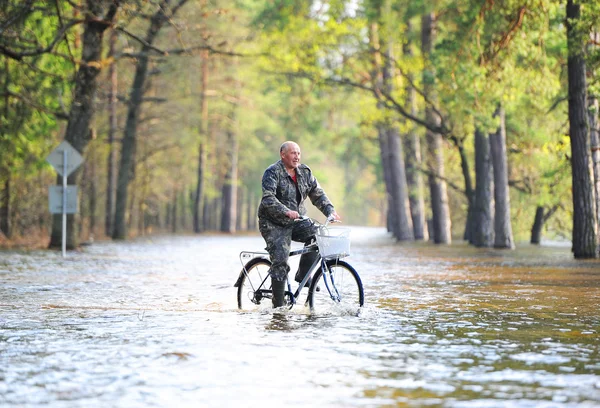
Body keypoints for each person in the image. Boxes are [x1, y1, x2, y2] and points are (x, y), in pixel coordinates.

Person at [258, 141, 340, 308]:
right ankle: (279, 309)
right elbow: (268, 199)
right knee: (281, 259)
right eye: (293, 153)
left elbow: (317, 194)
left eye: (298, 153)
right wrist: (285, 210)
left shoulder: (304, 172)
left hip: (296, 221)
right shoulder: (272, 172)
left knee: (318, 234)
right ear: (283, 154)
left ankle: (302, 275)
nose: (297, 156)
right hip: (273, 223)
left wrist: (330, 211)